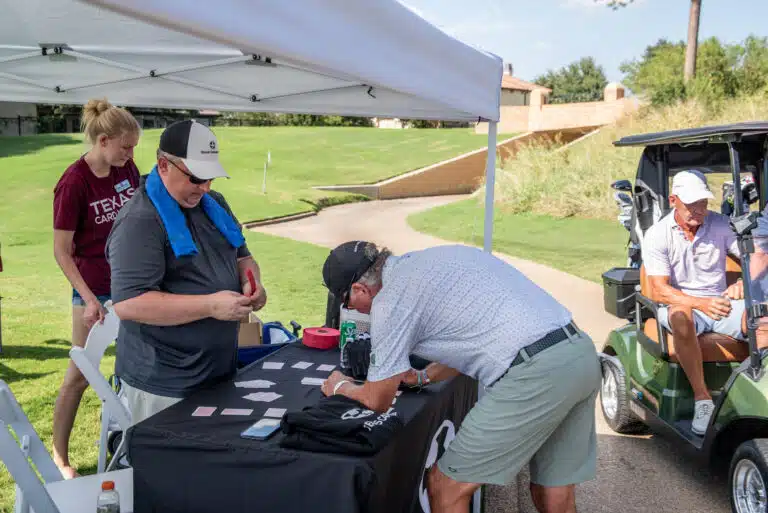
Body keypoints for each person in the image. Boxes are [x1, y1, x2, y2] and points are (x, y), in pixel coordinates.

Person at [320, 241, 600, 513]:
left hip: (535, 373)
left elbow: (378, 399)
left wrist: (340, 386)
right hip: (579, 353)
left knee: (446, 487)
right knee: (553, 490)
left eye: (348, 301)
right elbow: (470, 338)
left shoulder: (391, 300)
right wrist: (421, 378)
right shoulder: (430, 262)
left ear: (360, 288)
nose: (353, 310)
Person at [106, 119, 266, 425]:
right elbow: (129, 304)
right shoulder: (140, 221)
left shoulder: (213, 203)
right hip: (166, 383)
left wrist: (253, 283)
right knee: (170, 471)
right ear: (163, 165)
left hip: (217, 371)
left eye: (210, 179)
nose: (204, 188)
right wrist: (210, 305)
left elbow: (243, 257)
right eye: (195, 178)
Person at [52, 98, 141, 479]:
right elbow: (61, 251)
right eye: (126, 147)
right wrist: (89, 299)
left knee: (139, 366)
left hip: (131, 285)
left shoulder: (127, 169)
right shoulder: (73, 183)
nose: (131, 154)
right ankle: (60, 457)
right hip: (91, 289)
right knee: (80, 373)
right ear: (103, 141)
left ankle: (135, 444)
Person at [643, 169, 747, 435]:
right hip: (681, 304)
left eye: (703, 203)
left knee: (760, 320)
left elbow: (753, 262)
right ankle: (702, 399)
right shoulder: (658, 234)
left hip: (720, 302)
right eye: (692, 205)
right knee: (681, 316)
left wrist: (742, 283)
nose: (699, 210)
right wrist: (700, 303)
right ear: (673, 200)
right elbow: (659, 290)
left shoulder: (721, 224)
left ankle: (753, 388)